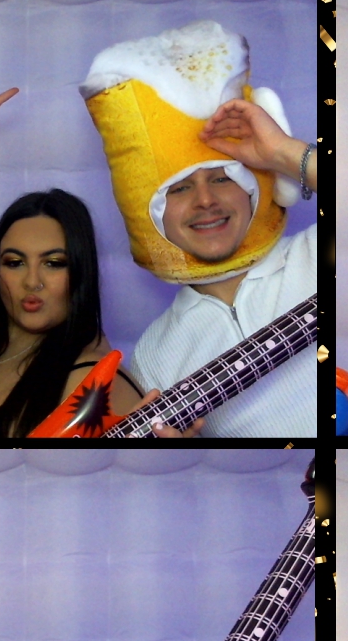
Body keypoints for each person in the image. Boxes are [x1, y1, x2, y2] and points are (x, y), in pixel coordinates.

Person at [0, 66, 201, 438]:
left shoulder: (92, 381)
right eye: (14, 262)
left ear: (80, 272)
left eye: (54, 263)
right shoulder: (0, 332)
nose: (32, 281)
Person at [81, 22, 318, 437]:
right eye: (180, 188)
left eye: (223, 178)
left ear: (253, 188)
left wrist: (283, 152)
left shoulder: (319, 253)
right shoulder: (154, 355)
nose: (205, 200)